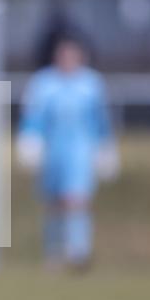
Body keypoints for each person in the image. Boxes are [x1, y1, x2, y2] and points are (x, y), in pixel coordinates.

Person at [16, 33, 117, 271]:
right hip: (53, 150)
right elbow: (33, 116)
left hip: (81, 150)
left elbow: (100, 119)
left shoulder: (91, 84)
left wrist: (105, 148)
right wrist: (30, 141)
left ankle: (78, 252)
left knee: (77, 199)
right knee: (54, 203)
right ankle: (53, 253)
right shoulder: (43, 83)